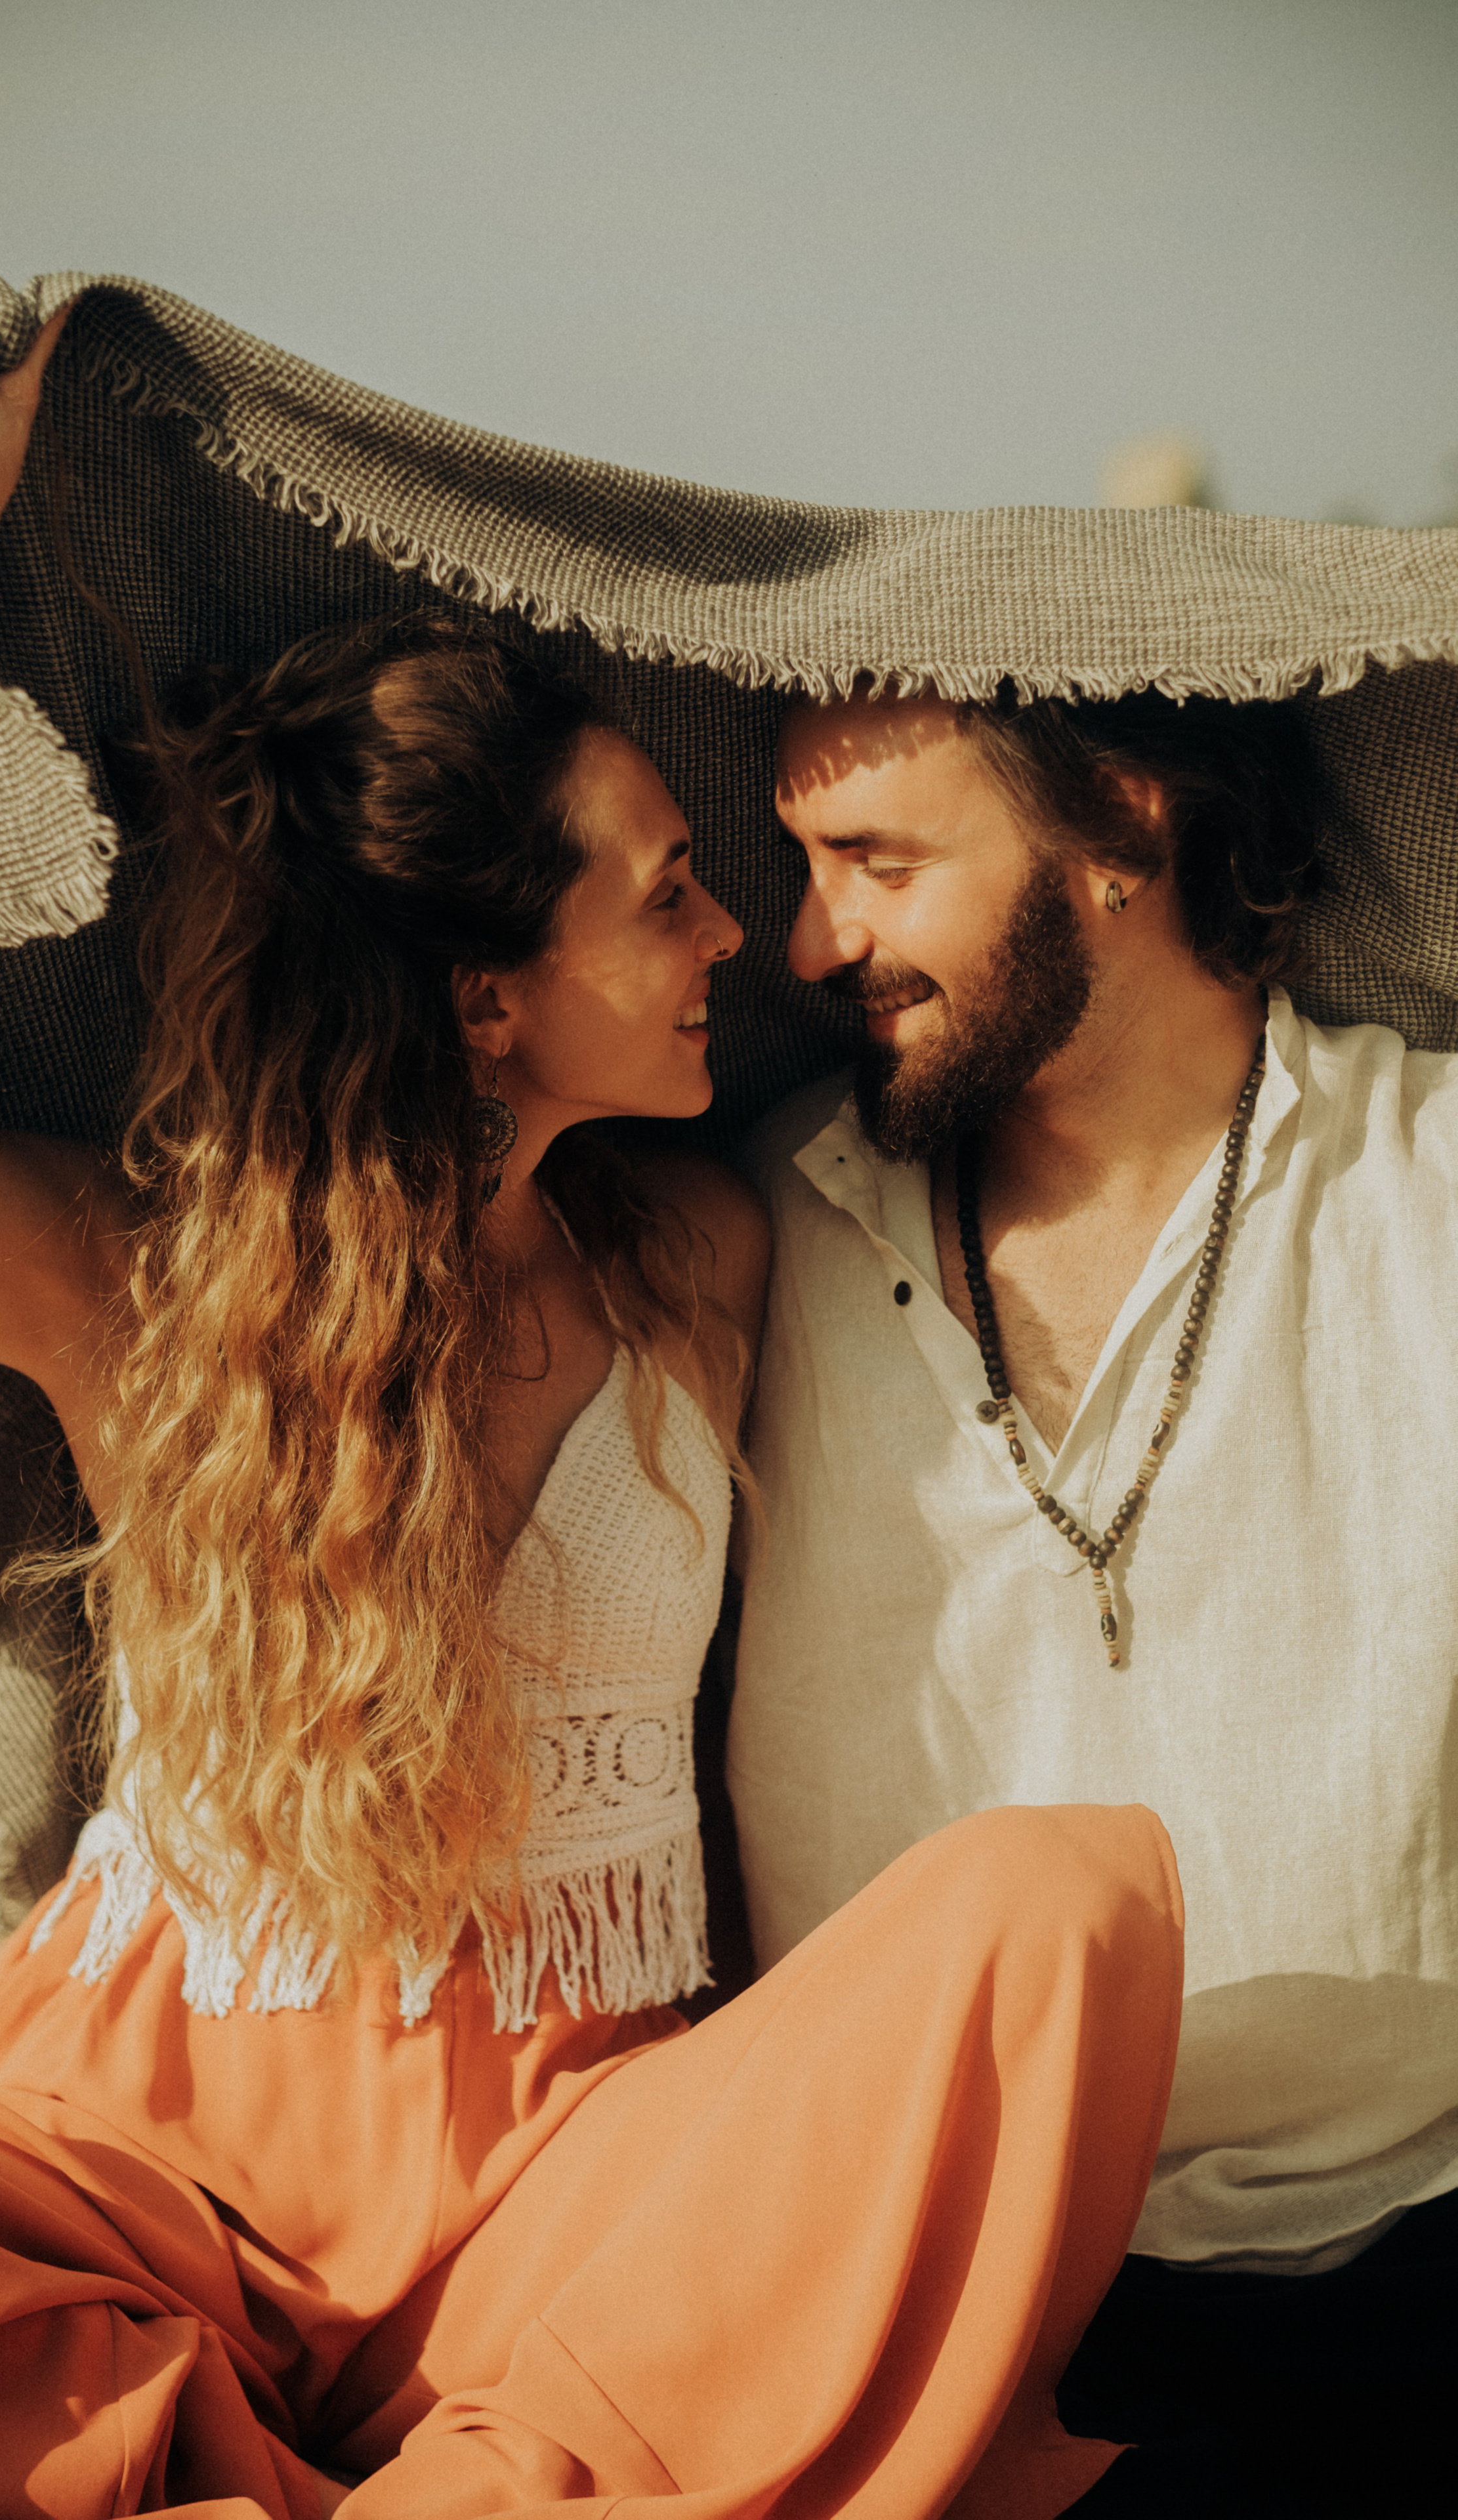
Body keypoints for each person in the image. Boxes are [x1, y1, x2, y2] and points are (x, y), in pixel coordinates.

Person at [0, 322, 1184, 2519]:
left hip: (564, 2203)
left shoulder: (701, 1253)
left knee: (1062, 1910)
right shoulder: (135, 1284)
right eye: (667, 893)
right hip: (135, 2188)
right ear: (482, 993)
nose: (745, 929)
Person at [728, 679, 1458, 2516]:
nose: (816, 938)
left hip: (1418, 2256)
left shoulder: (1433, 1181)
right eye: (800, 867)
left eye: (876, 862)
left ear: (1122, 829)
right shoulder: (746, 1221)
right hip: (913, 2282)